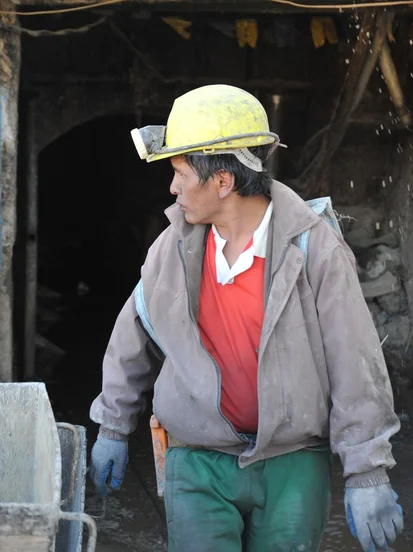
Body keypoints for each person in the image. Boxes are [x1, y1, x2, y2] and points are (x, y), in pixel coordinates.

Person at [89, 84, 404, 552]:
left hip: (293, 462)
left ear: (222, 181)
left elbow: (354, 361)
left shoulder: (312, 248)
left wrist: (368, 471)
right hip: (195, 459)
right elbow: (132, 331)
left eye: (178, 171)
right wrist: (113, 425)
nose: (172, 187)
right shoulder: (172, 247)